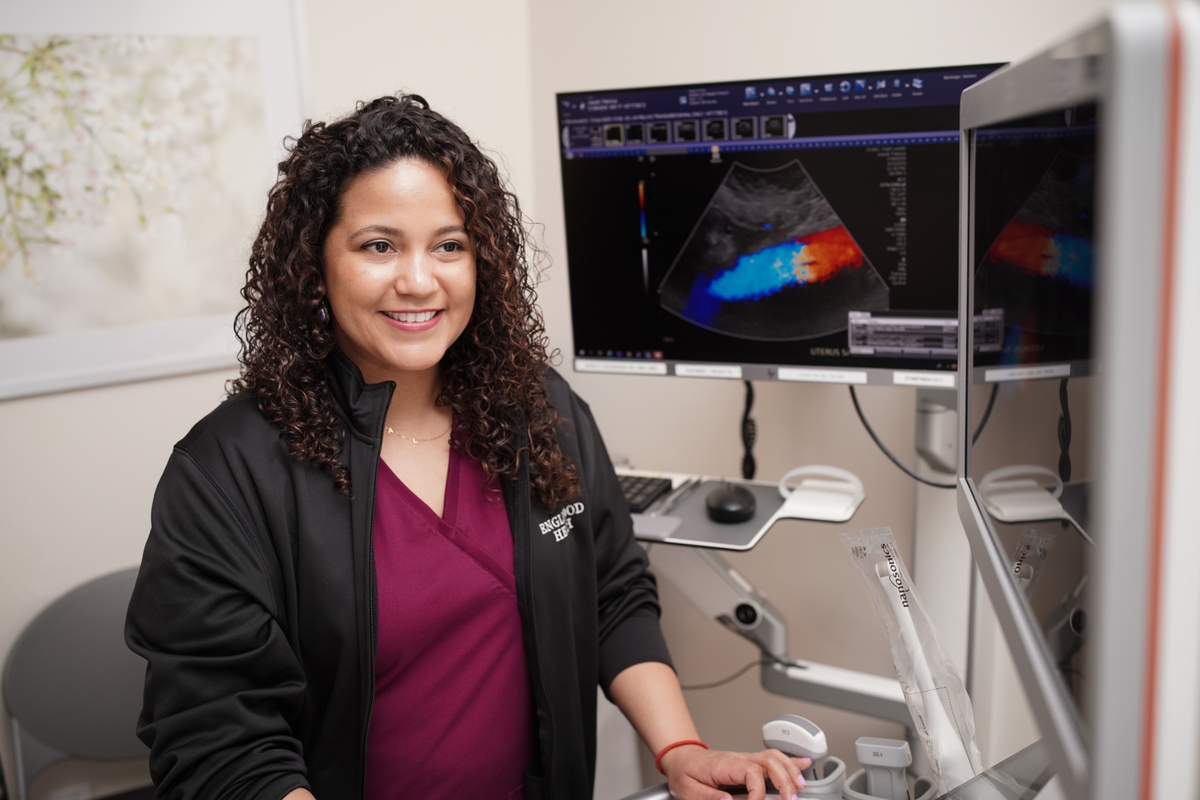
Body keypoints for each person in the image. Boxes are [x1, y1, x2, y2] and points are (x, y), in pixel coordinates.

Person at [125, 94, 810, 800]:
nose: (419, 281)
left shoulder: (539, 409)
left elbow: (612, 591)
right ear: (316, 264)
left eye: (448, 245)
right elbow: (220, 740)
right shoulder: (228, 470)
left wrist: (681, 750)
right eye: (379, 245)